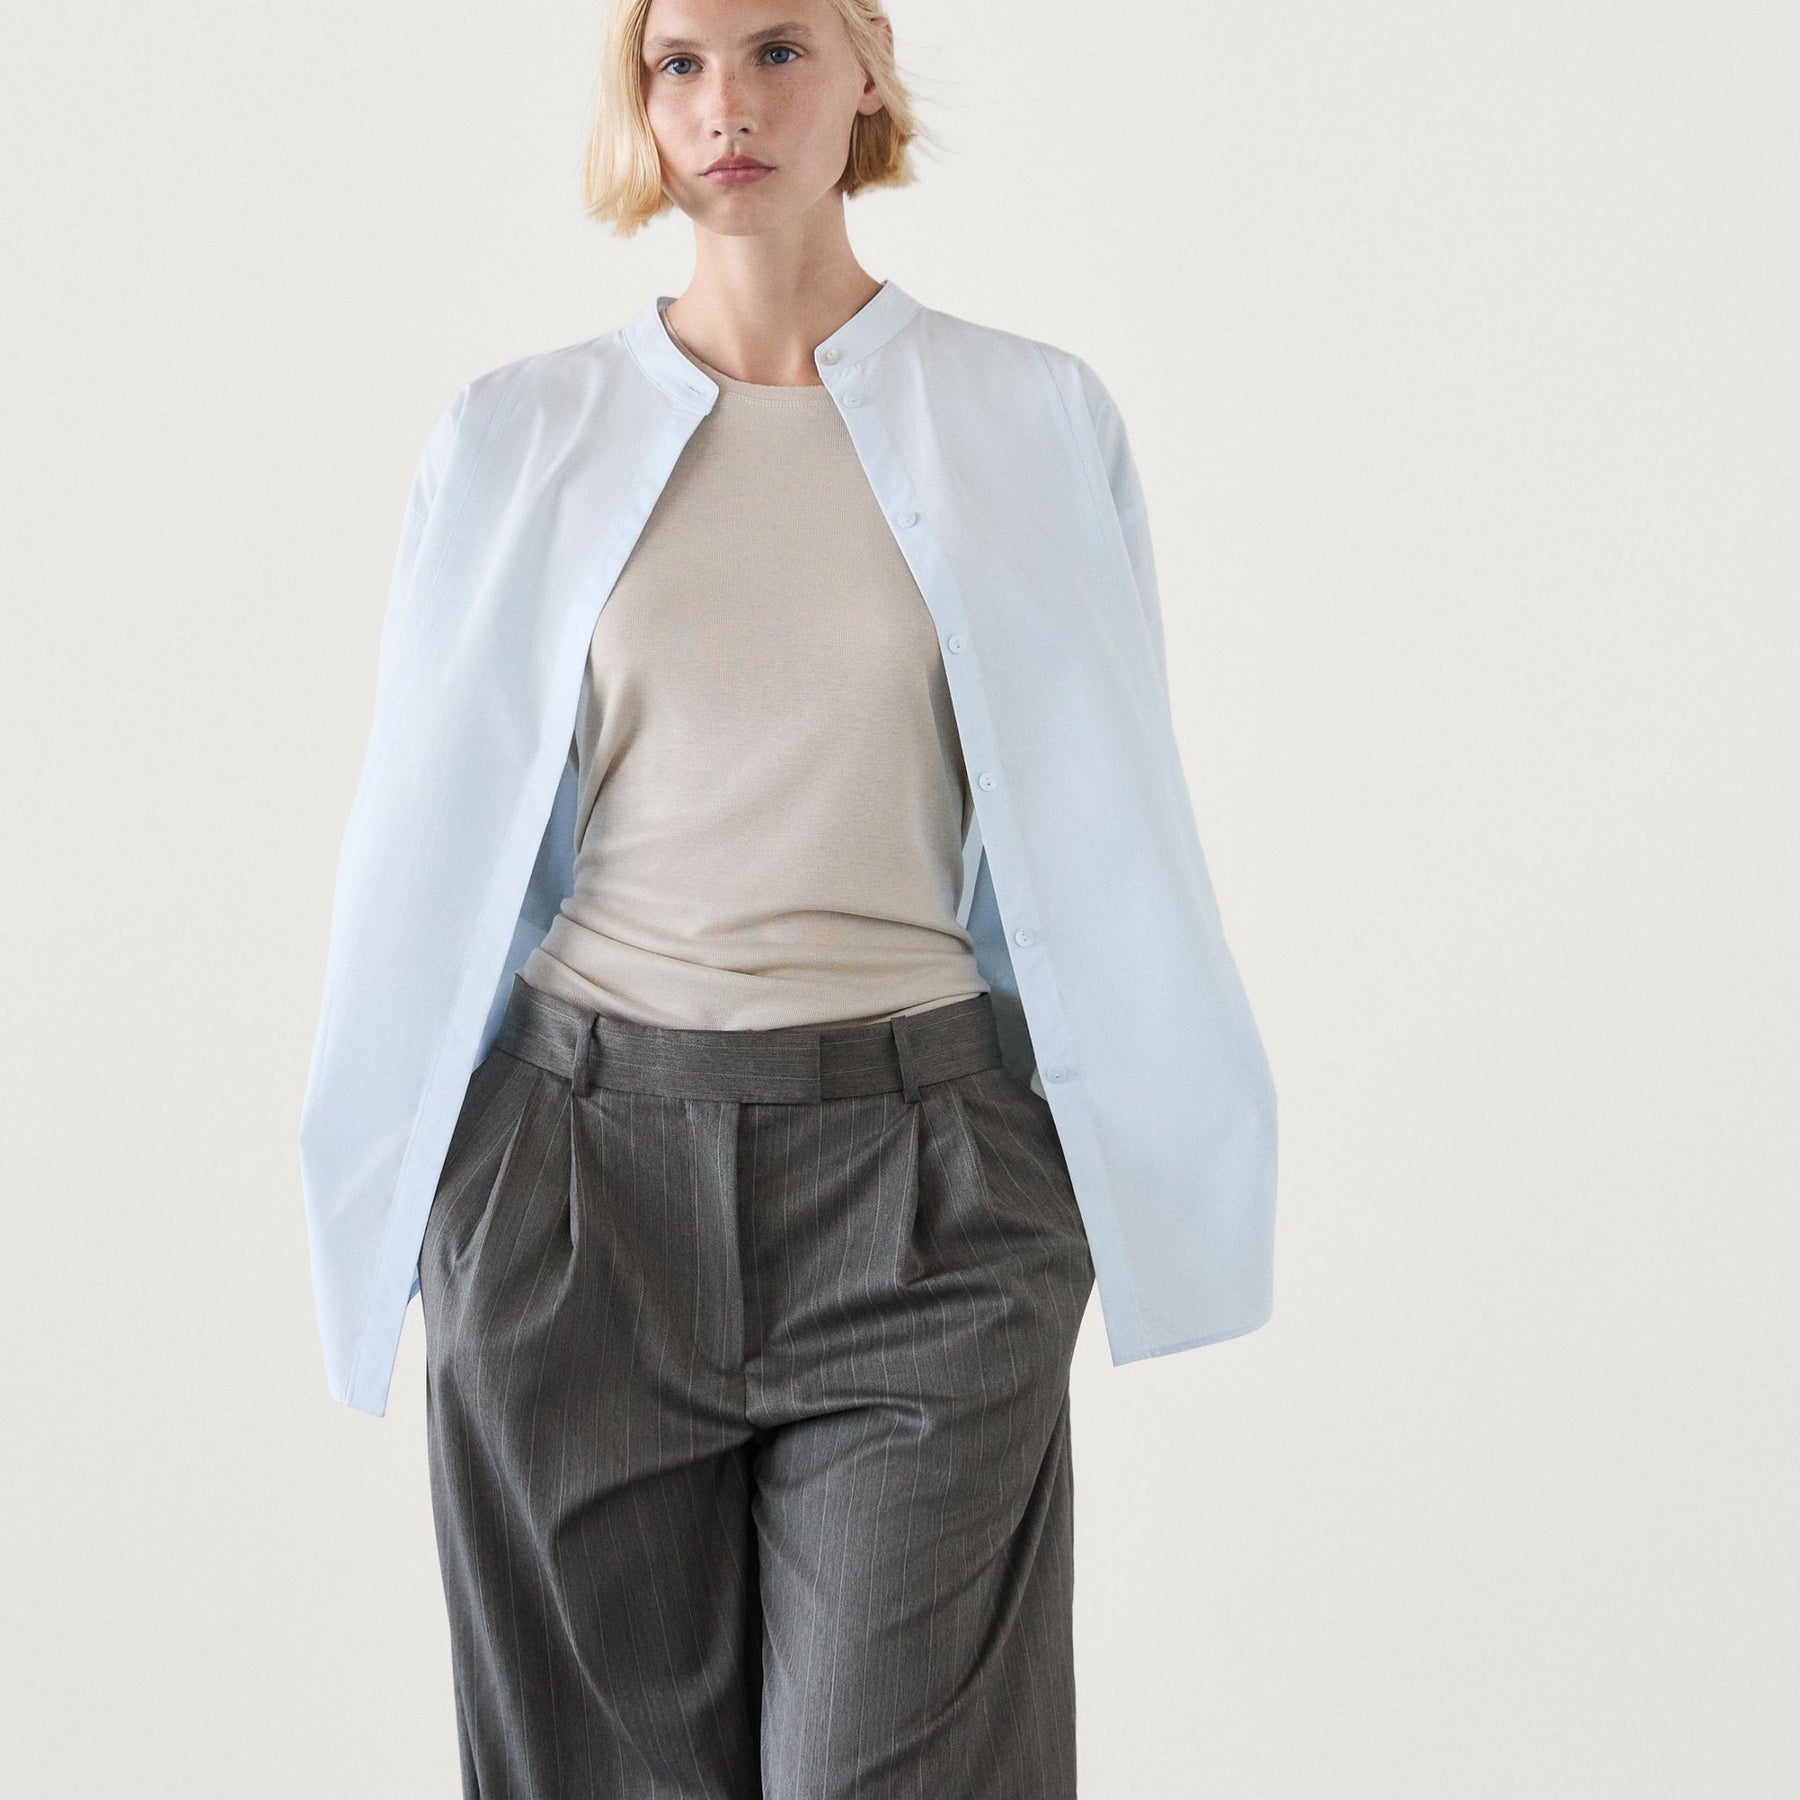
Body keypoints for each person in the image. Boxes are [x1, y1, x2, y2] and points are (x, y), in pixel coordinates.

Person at [298, 1, 1279, 1793]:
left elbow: (1103, 822)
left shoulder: (1029, 418)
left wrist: (1059, 1181)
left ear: (867, 69)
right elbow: (425, 844)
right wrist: (453, 1200)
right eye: (678, 62)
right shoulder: (516, 435)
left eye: (776, 51)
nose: (725, 105)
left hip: (924, 1194)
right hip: (580, 1194)